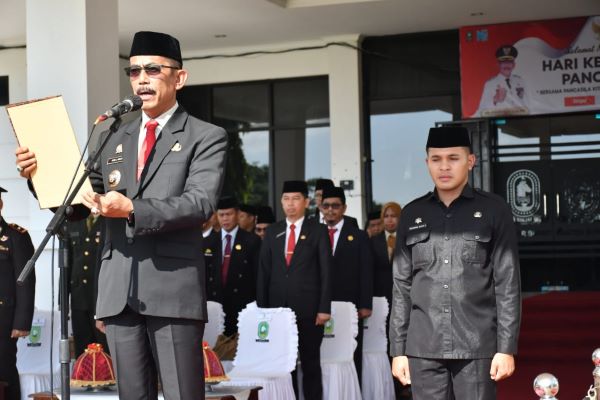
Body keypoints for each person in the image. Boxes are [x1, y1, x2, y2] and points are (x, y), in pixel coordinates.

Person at [16, 31, 227, 400]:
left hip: (172, 290)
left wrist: (132, 209)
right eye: (133, 71)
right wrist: (40, 177)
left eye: (152, 69)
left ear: (180, 77)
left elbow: (200, 203)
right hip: (119, 293)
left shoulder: (205, 136)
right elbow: (79, 205)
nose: (141, 79)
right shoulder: (113, 135)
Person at [389, 126, 521, 400]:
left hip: (476, 346)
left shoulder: (494, 210)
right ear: (427, 163)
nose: (444, 167)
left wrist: (506, 348)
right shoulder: (412, 213)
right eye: (436, 159)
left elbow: (507, 283)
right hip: (423, 347)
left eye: (453, 158)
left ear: (470, 161)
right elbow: (401, 287)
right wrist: (398, 350)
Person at [257, 180, 332, 400]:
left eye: (296, 198)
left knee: (310, 363)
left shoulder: (317, 230)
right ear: (281, 202)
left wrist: (324, 308)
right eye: (286, 199)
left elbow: (326, 272)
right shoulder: (273, 231)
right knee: (284, 365)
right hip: (278, 312)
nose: (290, 204)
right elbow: (264, 271)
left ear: (306, 202)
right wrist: (264, 310)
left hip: (310, 311)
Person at [321, 186, 373, 384]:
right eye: (326, 206)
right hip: (320, 305)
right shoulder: (313, 234)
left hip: (350, 305)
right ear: (321, 208)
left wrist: (365, 303)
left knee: (350, 351)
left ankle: (352, 391)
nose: (330, 210)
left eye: (335, 206)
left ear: (344, 208)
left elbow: (366, 271)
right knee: (322, 352)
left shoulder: (358, 236)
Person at [203, 197, 261, 338]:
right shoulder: (208, 242)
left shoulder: (252, 241)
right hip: (215, 305)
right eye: (221, 215)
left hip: (242, 306)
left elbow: (258, 275)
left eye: (229, 214)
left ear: (237, 214)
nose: (225, 219)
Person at [0, 187, 35, 400]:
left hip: (3, 319)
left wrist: (21, 322)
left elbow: (26, 281)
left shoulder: (15, 236)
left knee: (4, 372)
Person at [67, 215, 108, 357]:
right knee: (82, 351)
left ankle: (109, 381)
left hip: (102, 297)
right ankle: (84, 379)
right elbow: (68, 262)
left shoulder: (109, 219)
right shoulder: (74, 220)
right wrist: (64, 299)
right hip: (79, 297)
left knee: (104, 350)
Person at [476, 45, 529, 117]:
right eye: (503, 62)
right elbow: (481, 111)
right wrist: (495, 100)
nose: (506, 66)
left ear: (513, 65)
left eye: (509, 62)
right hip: (502, 122)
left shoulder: (520, 81)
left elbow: (528, 104)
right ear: (498, 65)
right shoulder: (490, 84)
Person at [371, 201, 401, 304]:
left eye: (393, 216)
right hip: (379, 296)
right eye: (386, 216)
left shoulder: (408, 240)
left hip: (402, 295)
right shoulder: (373, 241)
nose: (389, 220)